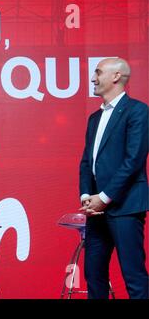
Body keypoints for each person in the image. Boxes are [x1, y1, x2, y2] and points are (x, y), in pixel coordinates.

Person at [79, 57, 148, 299]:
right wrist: (87, 196)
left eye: (97, 72)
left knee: (134, 276)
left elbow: (133, 161)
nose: (92, 78)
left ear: (116, 76)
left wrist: (104, 198)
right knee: (93, 275)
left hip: (126, 207)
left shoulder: (138, 111)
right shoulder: (94, 118)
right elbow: (87, 161)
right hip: (96, 212)